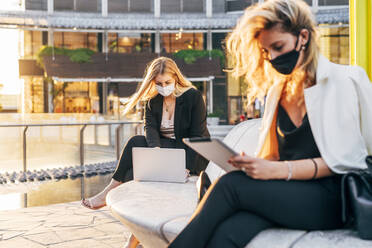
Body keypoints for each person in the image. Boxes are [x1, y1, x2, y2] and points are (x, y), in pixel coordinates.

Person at [167, 0, 372, 247]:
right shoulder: (278, 91)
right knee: (228, 232)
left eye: (277, 46)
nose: (273, 57)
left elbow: (348, 160)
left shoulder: (343, 80)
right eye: (266, 51)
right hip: (288, 193)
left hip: (333, 198)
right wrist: (253, 164)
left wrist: (277, 171)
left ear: (303, 36)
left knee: (230, 186)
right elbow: (274, 155)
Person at [81, 57, 210, 247]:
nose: (163, 86)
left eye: (167, 82)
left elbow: (197, 136)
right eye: (158, 83)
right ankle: (139, 232)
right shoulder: (153, 101)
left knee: (137, 153)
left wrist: (186, 167)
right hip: (166, 151)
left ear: (176, 78)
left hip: (192, 154)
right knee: (134, 154)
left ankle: (131, 232)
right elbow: (149, 128)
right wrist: (155, 152)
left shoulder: (192, 96)